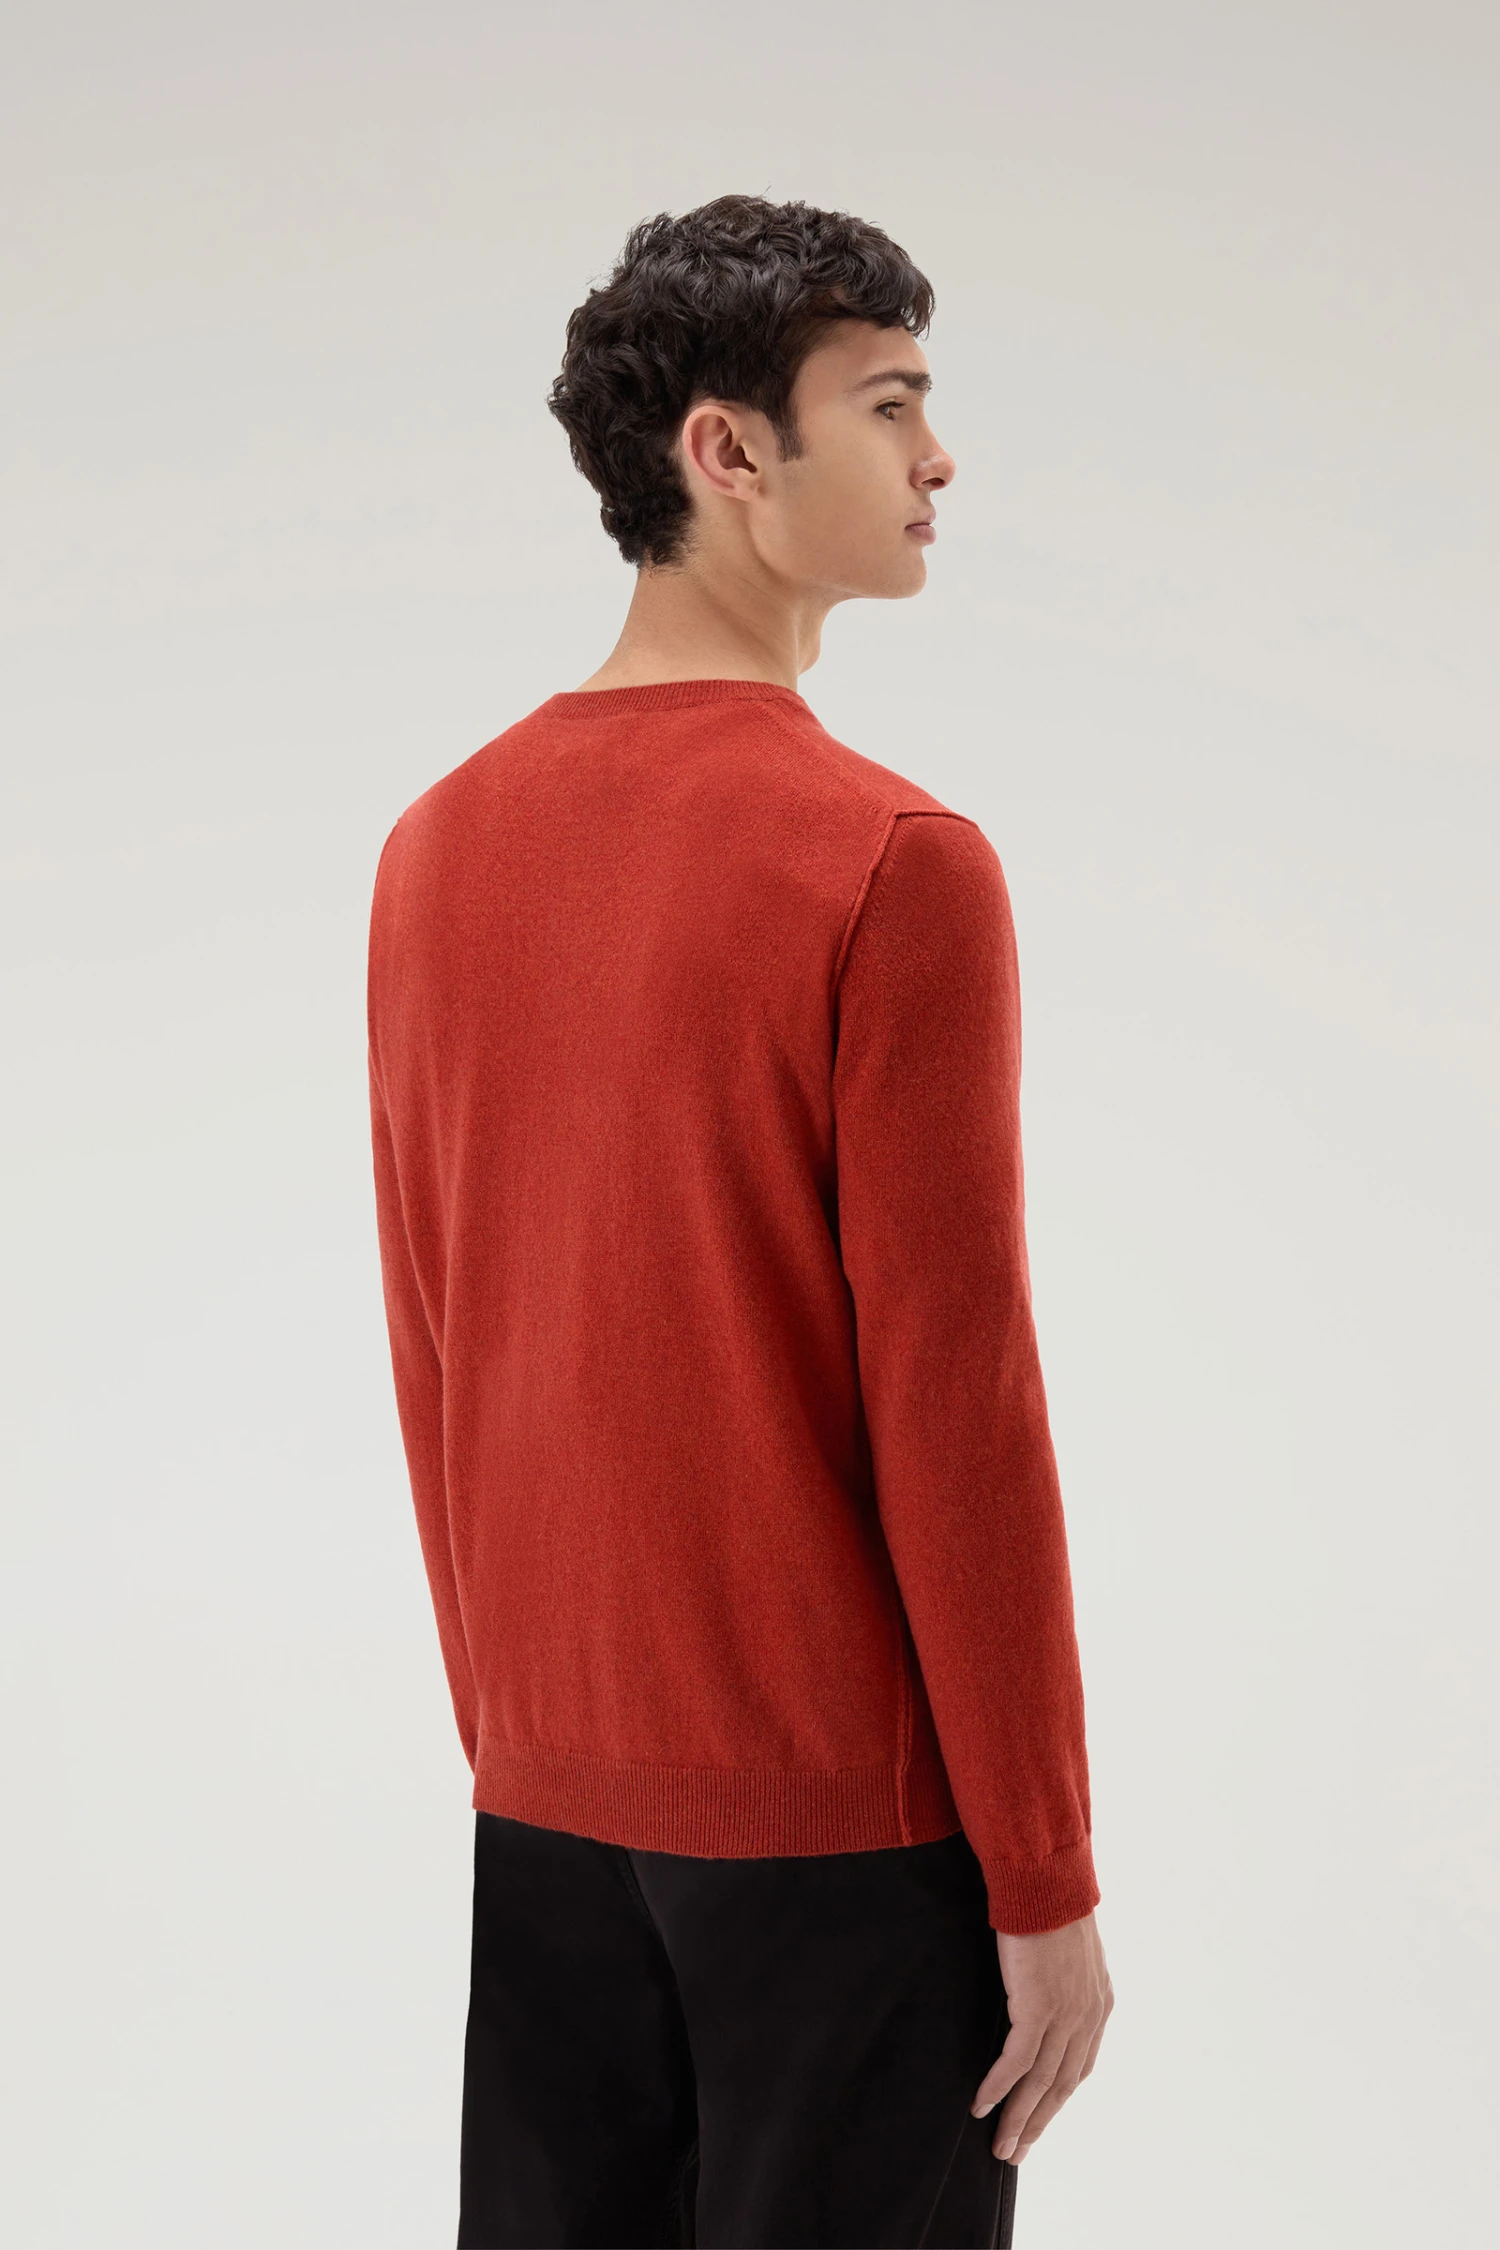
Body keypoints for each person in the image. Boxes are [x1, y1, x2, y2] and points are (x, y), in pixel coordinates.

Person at [366, 193, 1112, 2250]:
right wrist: (1042, 1875)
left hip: (549, 1805)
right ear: (727, 452)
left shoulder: (433, 847)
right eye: (890, 404)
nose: (940, 457)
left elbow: (438, 1353)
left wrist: (523, 1738)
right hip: (844, 1838)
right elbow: (958, 1411)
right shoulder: (892, 864)